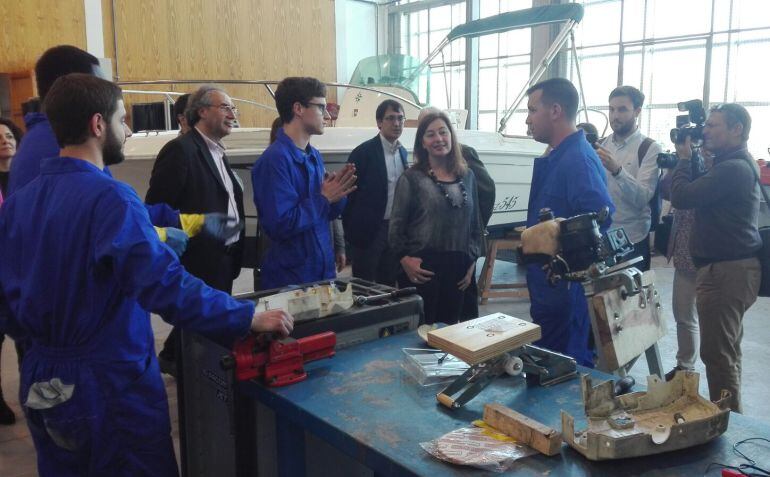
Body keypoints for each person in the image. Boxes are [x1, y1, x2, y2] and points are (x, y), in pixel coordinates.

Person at [0, 73, 294, 476]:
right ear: (98, 124)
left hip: (41, 377)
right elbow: (166, 286)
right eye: (122, 120)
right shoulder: (110, 198)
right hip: (108, 384)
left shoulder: (17, 204)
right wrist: (244, 316)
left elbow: (8, 307)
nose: (127, 129)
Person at [5, 44, 194, 256]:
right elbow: (98, 221)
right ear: (78, 87)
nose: (128, 131)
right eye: (121, 120)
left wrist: (171, 220)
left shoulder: (40, 139)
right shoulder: (65, 148)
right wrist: (154, 237)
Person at [146, 85, 246, 371]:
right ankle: (185, 375)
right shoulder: (180, 150)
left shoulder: (217, 151)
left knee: (209, 330)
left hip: (223, 258)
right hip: (197, 261)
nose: (232, 114)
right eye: (225, 107)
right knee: (196, 330)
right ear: (202, 111)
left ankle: (190, 369)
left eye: (233, 108)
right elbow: (157, 208)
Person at [670, 103, 761, 413]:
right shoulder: (731, 164)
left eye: (713, 126)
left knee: (717, 355)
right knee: (726, 351)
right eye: (705, 125)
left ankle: (728, 423)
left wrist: (683, 159)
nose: (704, 131)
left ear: (736, 130)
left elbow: (681, 196)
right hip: (729, 270)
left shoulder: (732, 168)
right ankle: (731, 417)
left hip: (725, 273)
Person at [524, 78, 614, 367]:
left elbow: (599, 214)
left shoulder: (577, 159)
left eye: (532, 110)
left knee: (565, 367)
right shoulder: (559, 155)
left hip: (564, 293)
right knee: (549, 361)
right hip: (549, 291)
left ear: (555, 111)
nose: (528, 119)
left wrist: (563, 266)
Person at [252, 77, 356, 289]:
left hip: (320, 272)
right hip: (291, 279)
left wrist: (337, 195)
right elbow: (280, 225)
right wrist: (324, 198)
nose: (327, 116)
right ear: (298, 108)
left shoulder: (313, 155)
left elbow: (324, 214)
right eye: (321, 107)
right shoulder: (274, 161)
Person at [389, 111, 483, 325]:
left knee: (452, 340)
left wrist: (471, 262)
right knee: (420, 340)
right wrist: (404, 259)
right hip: (421, 272)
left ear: (451, 136)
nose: (439, 139)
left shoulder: (467, 176)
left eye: (443, 132)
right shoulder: (411, 179)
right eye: (430, 134)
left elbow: (475, 226)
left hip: (458, 274)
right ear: (422, 142)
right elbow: (395, 229)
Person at [415, 107, 496, 320]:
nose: (437, 137)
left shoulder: (465, 154)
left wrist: (474, 229)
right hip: (437, 256)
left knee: (467, 305)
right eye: (428, 130)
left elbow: (486, 190)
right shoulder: (419, 169)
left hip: (463, 249)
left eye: (440, 130)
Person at [342, 99, 409, 285]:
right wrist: (350, 241)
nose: (396, 123)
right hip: (369, 231)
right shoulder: (362, 153)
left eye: (400, 118)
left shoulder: (403, 153)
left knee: (388, 282)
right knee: (363, 285)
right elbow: (348, 197)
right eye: (390, 118)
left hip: (394, 230)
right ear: (379, 122)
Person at [595, 86, 662, 271]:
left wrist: (618, 170)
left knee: (629, 297)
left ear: (638, 111)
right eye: (611, 109)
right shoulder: (601, 145)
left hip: (632, 240)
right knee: (600, 297)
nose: (615, 115)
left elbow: (642, 198)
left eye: (622, 109)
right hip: (600, 237)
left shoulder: (650, 148)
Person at [660, 169, 700, 381]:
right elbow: (667, 191)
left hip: (709, 257)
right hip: (684, 257)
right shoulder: (688, 166)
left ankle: (719, 387)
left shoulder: (720, 168)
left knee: (716, 327)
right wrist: (678, 166)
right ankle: (685, 368)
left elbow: (687, 196)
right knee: (684, 315)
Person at [0, 117, 23, 425]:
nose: (5, 140)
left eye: (8, 135)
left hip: (20, 270)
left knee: (26, 337)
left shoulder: (27, 175)